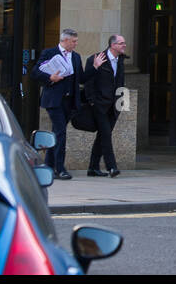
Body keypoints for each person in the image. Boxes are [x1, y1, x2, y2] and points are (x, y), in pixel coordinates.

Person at [31, 28, 83, 180]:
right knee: (61, 132)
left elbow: (81, 77)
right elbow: (35, 72)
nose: (76, 44)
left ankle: (48, 166)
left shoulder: (76, 57)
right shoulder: (49, 53)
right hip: (54, 100)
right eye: (73, 41)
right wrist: (50, 78)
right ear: (65, 40)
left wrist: (95, 67)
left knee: (56, 133)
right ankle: (60, 168)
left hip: (69, 100)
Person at [81, 34, 126, 178]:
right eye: (121, 43)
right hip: (99, 105)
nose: (124, 45)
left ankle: (92, 168)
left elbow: (121, 83)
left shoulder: (121, 61)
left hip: (114, 106)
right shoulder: (96, 59)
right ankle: (112, 167)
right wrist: (92, 101)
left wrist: (122, 103)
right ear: (112, 45)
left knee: (102, 136)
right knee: (106, 135)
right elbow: (88, 82)